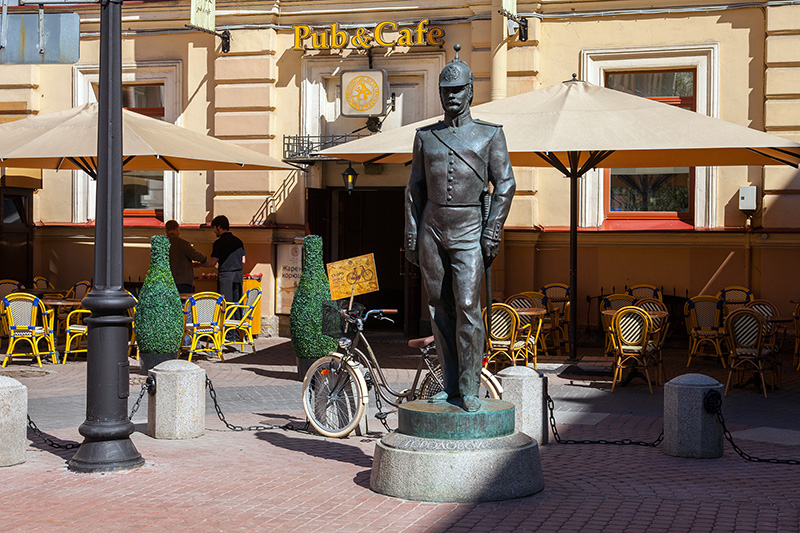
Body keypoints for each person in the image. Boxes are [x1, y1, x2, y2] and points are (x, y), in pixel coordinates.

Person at [405, 45, 516, 412]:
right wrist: (410, 234)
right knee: (439, 309)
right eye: (445, 91)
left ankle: (470, 388)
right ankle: (449, 386)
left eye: (458, 90)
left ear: (471, 92)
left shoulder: (490, 135)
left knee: (468, 306)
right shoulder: (425, 137)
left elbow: (506, 184)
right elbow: (414, 189)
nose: (451, 97)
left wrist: (492, 230)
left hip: (470, 227)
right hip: (432, 229)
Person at [201, 215, 246, 309]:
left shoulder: (218, 243)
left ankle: (226, 323)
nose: (213, 231)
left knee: (225, 303)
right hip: (238, 275)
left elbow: (212, 262)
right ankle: (237, 322)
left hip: (226, 276)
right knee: (237, 304)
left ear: (219, 227)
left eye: (214, 228)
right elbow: (243, 260)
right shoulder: (238, 241)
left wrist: (199, 265)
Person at [165, 219, 206, 294]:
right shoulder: (183, 244)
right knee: (184, 304)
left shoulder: (161, 245)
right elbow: (196, 256)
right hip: (183, 282)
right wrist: (204, 258)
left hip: (166, 282)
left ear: (166, 231)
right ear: (177, 229)